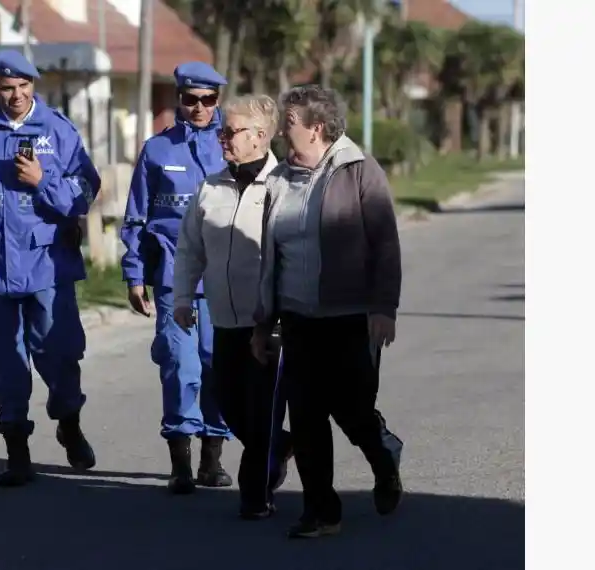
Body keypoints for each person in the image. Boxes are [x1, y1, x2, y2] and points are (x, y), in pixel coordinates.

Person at [250, 84, 406, 539]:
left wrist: (384, 307)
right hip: (299, 319)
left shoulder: (359, 171)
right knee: (306, 415)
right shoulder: (279, 179)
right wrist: (264, 323)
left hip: (349, 316)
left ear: (316, 129)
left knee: (352, 409)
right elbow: (270, 258)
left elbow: (385, 244)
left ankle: (384, 454)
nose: (281, 132)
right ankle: (321, 511)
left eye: (289, 124)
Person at [0, 50, 102, 487]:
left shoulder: (58, 129)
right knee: (6, 360)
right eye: (7, 88)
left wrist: (43, 181)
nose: (16, 95)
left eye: (23, 86)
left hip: (48, 263)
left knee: (59, 352)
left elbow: (86, 190)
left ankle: (69, 423)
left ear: (34, 85)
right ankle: (17, 453)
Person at [173, 93, 296, 518]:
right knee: (228, 404)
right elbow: (189, 249)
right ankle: (281, 445)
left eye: (230, 131)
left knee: (261, 412)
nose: (222, 138)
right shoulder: (211, 187)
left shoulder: (284, 186)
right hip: (223, 319)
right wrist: (183, 297)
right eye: (222, 131)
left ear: (260, 136)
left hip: (269, 322)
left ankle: (256, 496)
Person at [120, 61, 235, 494]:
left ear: (218, 100)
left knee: (217, 366)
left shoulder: (233, 146)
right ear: (178, 99)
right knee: (178, 365)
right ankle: (180, 462)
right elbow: (136, 218)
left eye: (208, 99)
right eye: (191, 99)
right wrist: (134, 275)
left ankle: (212, 458)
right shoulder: (157, 150)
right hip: (174, 278)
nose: (200, 107)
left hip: (225, 278)